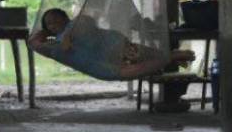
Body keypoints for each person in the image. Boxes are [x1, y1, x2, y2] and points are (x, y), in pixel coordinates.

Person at [29, 8, 193, 81]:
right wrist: (44, 33)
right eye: (49, 23)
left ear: (66, 18)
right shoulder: (54, 44)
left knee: (144, 54)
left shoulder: (74, 25)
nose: (54, 23)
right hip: (103, 65)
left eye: (57, 19)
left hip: (114, 47)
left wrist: (69, 36)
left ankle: (171, 56)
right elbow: (34, 43)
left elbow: (87, 20)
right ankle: (171, 57)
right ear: (47, 30)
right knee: (134, 69)